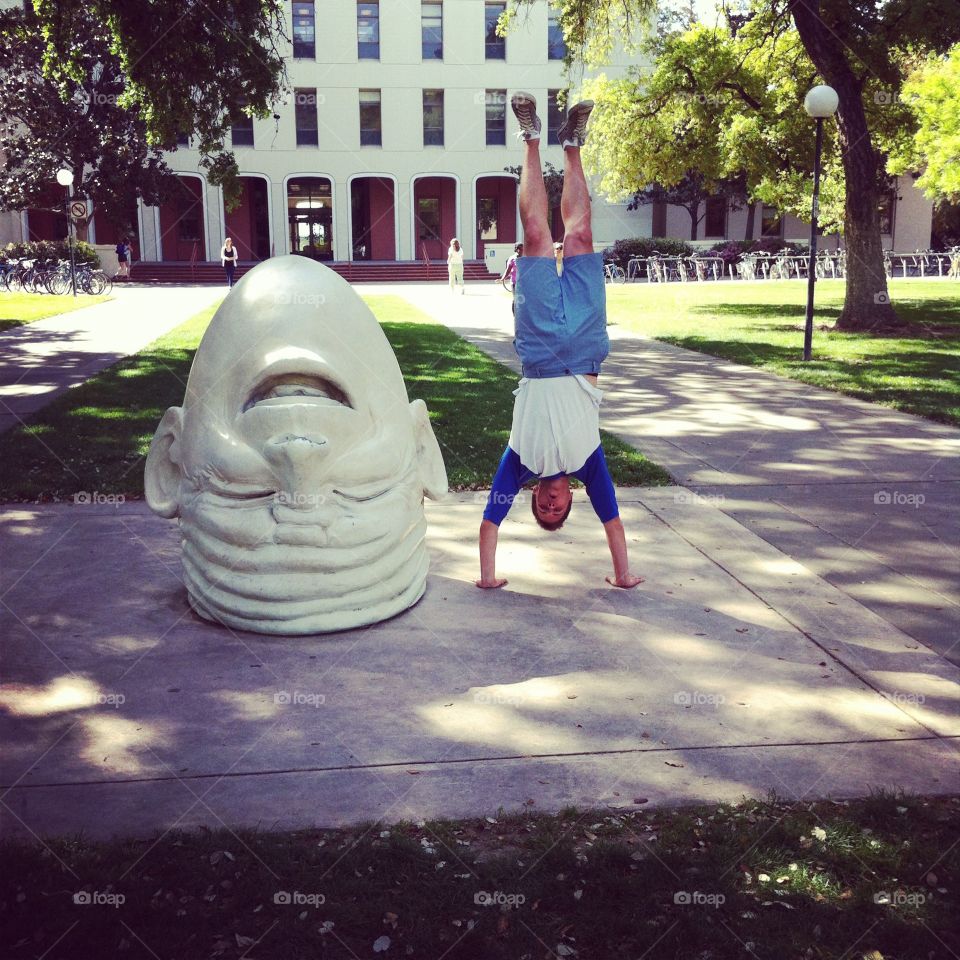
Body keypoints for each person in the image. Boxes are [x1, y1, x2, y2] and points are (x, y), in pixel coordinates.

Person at [476, 91, 643, 591]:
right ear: (572, 499)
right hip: (589, 345)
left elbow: (489, 525)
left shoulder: (518, 463)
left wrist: (488, 579)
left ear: (532, 498)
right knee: (581, 238)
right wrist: (622, 576)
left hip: (541, 346)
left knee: (534, 236)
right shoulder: (589, 465)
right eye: (559, 510)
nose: (550, 505)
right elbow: (612, 523)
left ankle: (530, 137)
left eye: (543, 510)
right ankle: (572, 145)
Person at [499, 242, 523, 314]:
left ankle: (522, 314)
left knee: (523, 298)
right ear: (516, 249)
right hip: (514, 282)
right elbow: (508, 270)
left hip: (523, 282)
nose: (521, 250)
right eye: (519, 249)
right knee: (515, 298)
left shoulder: (525, 258)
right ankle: (515, 314)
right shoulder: (512, 258)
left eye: (522, 249)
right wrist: (503, 278)